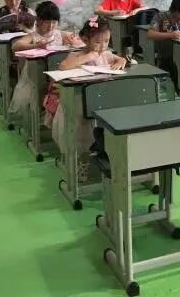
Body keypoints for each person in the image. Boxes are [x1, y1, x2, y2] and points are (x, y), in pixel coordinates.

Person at [50, 17, 127, 181]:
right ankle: (80, 165)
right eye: (98, 42)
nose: (103, 46)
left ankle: (105, 159)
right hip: (79, 106)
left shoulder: (106, 54)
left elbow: (119, 59)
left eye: (106, 41)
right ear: (85, 40)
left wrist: (122, 60)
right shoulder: (77, 54)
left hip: (102, 103)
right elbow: (64, 66)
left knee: (103, 133)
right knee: (82, 139)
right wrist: (88, 56)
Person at [9, 1, 83, 118]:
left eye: (54, 22)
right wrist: (36, 45)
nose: (51, 26)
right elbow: (15, 46)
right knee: (38, 95)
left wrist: (73, 42)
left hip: (56, 74)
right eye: (47, 22)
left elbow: (81, 42)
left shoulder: (60, 34)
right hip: (37, 74)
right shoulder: (34, 35)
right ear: (38, 21)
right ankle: (39, 117)